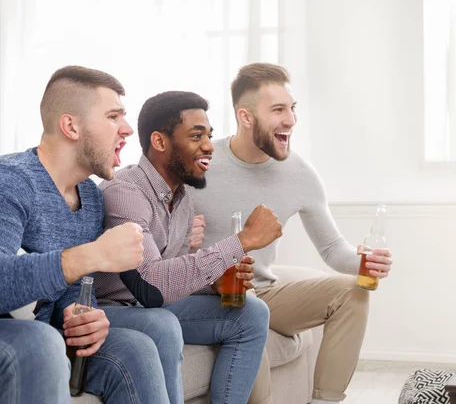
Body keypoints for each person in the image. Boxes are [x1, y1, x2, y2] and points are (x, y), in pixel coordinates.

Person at [189, 63, 394, 404]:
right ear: (246, 117)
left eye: (292, 109)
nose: (291, 120)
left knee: (353, 292)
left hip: (263, 291)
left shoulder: (299, 173)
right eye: (278, 110)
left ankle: (324, 401)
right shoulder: (201, 163)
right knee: (247, 308)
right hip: (211, 294)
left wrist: (362, 262)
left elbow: (331, 247)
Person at [0, 65, 184, 403]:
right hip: (20, 336)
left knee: (137, 347)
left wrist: (80, 315)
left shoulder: (92, 197)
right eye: (114, 116)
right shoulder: (10, 181)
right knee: (40, 341)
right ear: (71, 126)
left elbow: (70, 290)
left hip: (45, 330)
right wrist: (94, 254)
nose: (127, 129)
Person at [94, 90, 282, 404]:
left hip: (152, 306)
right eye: (196, 136)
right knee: (162, 322)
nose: (209, 145)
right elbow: (151, 284)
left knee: (251, 313)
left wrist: (213, 284)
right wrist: (241, 241)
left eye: (209, 135)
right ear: (159, 141)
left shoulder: (182, 199)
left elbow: (173, 277)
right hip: (114, 310)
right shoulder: (125, 192)